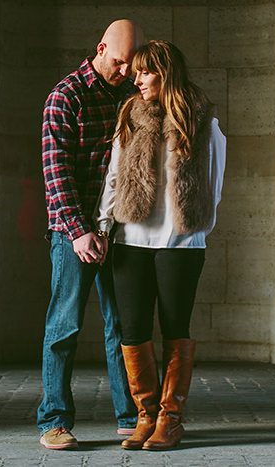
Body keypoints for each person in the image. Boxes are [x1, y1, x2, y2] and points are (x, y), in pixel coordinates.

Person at [97, 40, 226, 451]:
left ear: (165, 72)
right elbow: (114, 178)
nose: (136, 79)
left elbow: (214, 180)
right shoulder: (130, 115)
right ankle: (145, 415)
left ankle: (171, 419)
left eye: (145, 72)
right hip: (130, 240)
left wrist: (197, 230)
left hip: (180, 242)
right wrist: (103, 227)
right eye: (135, 72)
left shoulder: (202, 120)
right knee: (132, 329)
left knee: (175, 327)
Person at [37, 19, 144, 449]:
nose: (124, 72)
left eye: (130, 66)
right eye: (119, 62)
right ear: (100, 49)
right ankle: (53, 421)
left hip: (116, 231)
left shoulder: (127, 96)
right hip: (73, 234)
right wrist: (81, 233)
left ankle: (128, 416)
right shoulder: (65, 97)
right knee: (63, 325)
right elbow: (55, 174)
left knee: (121, 324)